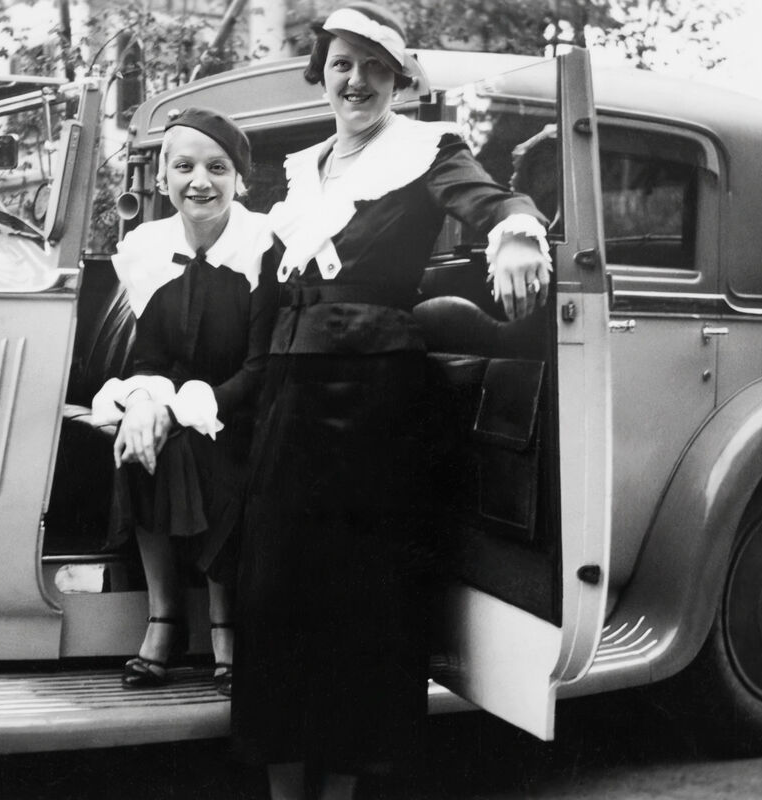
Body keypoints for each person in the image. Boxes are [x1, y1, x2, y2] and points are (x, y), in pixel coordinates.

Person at [229, 4, 551, 798]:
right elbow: (268, 288)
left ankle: (341, 791)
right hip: (288, 400)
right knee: (274, 594)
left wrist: (517, 233)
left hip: (373, 402)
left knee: (361, 597)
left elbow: (491, 202)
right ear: (322, 73)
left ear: (398, 80)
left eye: (375, 67)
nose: (357, 81)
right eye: (343, 63)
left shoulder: (427, 149)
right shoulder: (302, 172)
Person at [92, 108, 278, 696]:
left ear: (239, 180)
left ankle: (226, 626)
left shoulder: (265, 245)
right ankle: (164, 618)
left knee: (206, 453)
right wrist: (145, 404)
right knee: (137, 443)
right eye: (184, 167)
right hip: (181, 403)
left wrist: (177, 412)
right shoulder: (147, 248)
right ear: (163, 177)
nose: (200, 181)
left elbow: (261, 368)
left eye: (217, 168)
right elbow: (149, 359)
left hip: (250, 407)